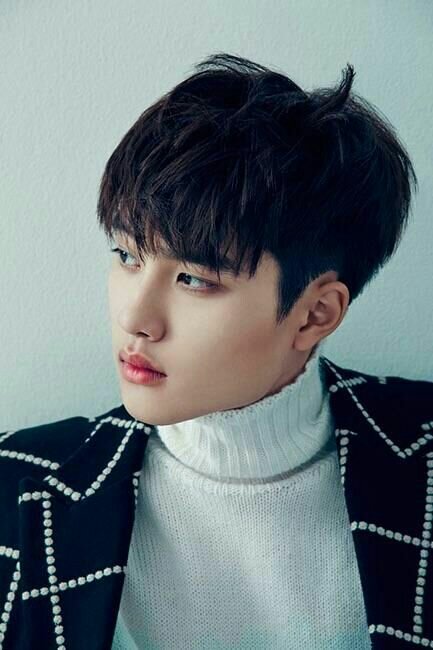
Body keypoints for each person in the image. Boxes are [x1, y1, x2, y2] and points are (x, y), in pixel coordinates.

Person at [1, 52, 431, 650]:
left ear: (315, 314)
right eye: (127, 256)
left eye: (194, 280)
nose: (135, 319)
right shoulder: (15, 485)